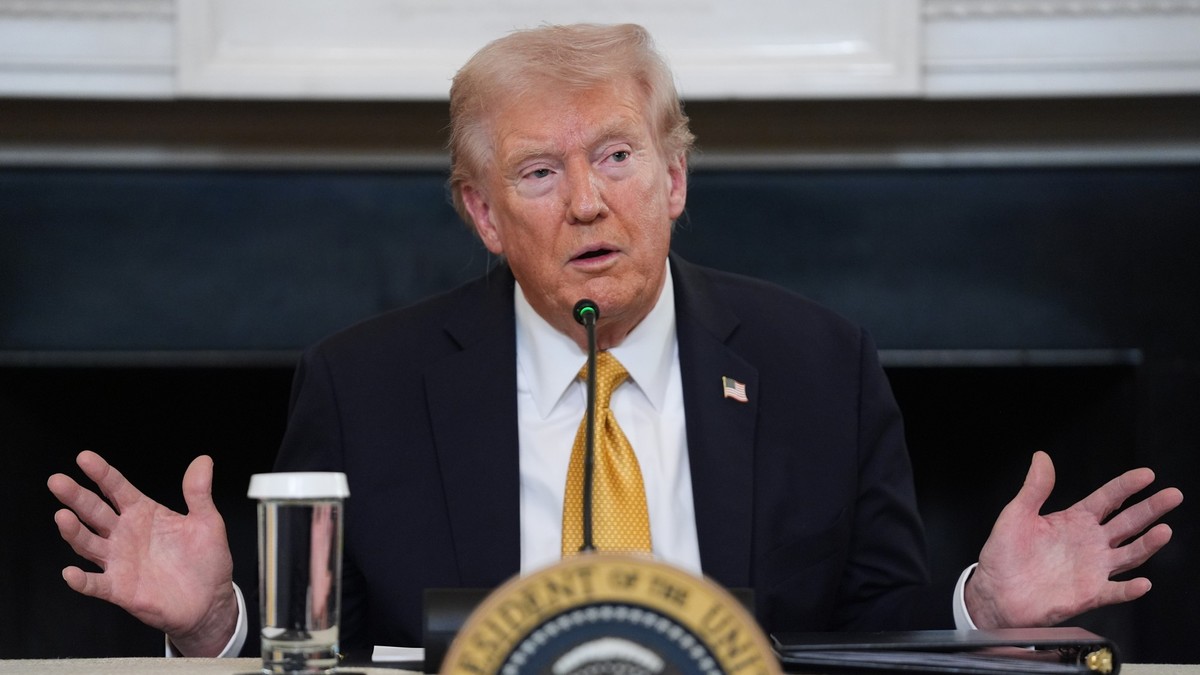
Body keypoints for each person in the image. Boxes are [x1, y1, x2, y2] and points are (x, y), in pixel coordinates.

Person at [47, 23, 1182, 659]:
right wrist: (215, 622)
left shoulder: (816, 365)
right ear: (485, 216)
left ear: (675, 179)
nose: (589, 203)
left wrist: (984, 615)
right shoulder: (366, 384)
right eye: (540, 172)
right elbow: (321, 654)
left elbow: (873, 641)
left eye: (619, 157)